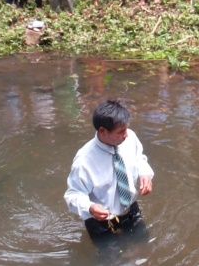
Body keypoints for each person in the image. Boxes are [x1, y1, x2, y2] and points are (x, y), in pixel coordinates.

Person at [64, 99, 154, 237]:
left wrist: (145, 173)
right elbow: (73, 194)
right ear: (102, 131)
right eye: (120, 131)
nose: (126, 134)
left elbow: (139, 158)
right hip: (101, 220)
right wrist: (90, 207)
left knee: (142, 246)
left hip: (131, 209)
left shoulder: (130, 139)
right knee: (111, 258)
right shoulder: (84, 161)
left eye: (126, 128)